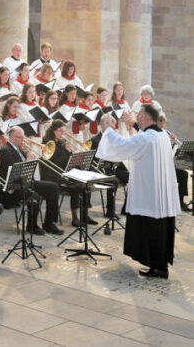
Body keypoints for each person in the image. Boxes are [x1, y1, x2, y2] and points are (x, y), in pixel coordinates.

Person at [97, 105, 180, 279]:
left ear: (147, 117)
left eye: (139, 115)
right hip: (160, 195)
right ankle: (160, 266)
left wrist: (108, 130)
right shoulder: (162, 135)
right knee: (160, 230)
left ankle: (157, 268)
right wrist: (133, 123)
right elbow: (144, 134)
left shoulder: (147, 138)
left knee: (151, 230)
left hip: (149, 195)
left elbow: (124, 145)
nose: (137, 118)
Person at [0, 126, 63, 235]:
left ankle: (49, 224)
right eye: (19, 137)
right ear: (10, 137)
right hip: (13, 187)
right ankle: (32, 226)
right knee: (34, 195)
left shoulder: (20, 149)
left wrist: (28, 155)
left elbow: (27, 172)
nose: (23, 140)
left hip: (26, 183)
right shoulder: (5, 150)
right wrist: (28, 160)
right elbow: (14, 172)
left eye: (23, 137)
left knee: (53, 187)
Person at [40, 120, 96, 226]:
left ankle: (84, 215)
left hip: (62, 173)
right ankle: (75, 218)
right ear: (53, 130)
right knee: (79, 186)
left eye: (64, 131)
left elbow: (67, 163)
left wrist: (70, 153)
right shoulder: (47, 143)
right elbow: (54, 162)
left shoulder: (62, 141)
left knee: (85, 183)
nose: (63, 134)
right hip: (52, 175)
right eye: (61, 131)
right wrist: (65, 151)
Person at [157, 114, 190, 211]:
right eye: (161, 124)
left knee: (184, 174)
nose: (163, 127)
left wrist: (173, 143)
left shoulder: (164, 134)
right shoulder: (155, 135)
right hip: (159, 168)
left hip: (168, 167)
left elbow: (172, 152)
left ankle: (180, 202)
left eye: (164, 124)